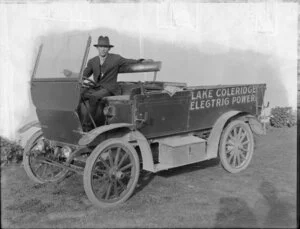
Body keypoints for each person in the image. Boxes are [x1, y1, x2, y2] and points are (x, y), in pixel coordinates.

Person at [65, 36, 149, 128]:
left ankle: (87, 126)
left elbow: (129, 61)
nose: (103, 49)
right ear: (97, 48)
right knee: (77, 95)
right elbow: (84, 75)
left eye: (105, 47)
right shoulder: (93, 61)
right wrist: (71, 74)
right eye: (101, 47)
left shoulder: (116, 59)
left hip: (110, 88)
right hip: (97, 88)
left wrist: (142, 61)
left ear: (109, 49)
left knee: (94, 97)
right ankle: (74, 122)